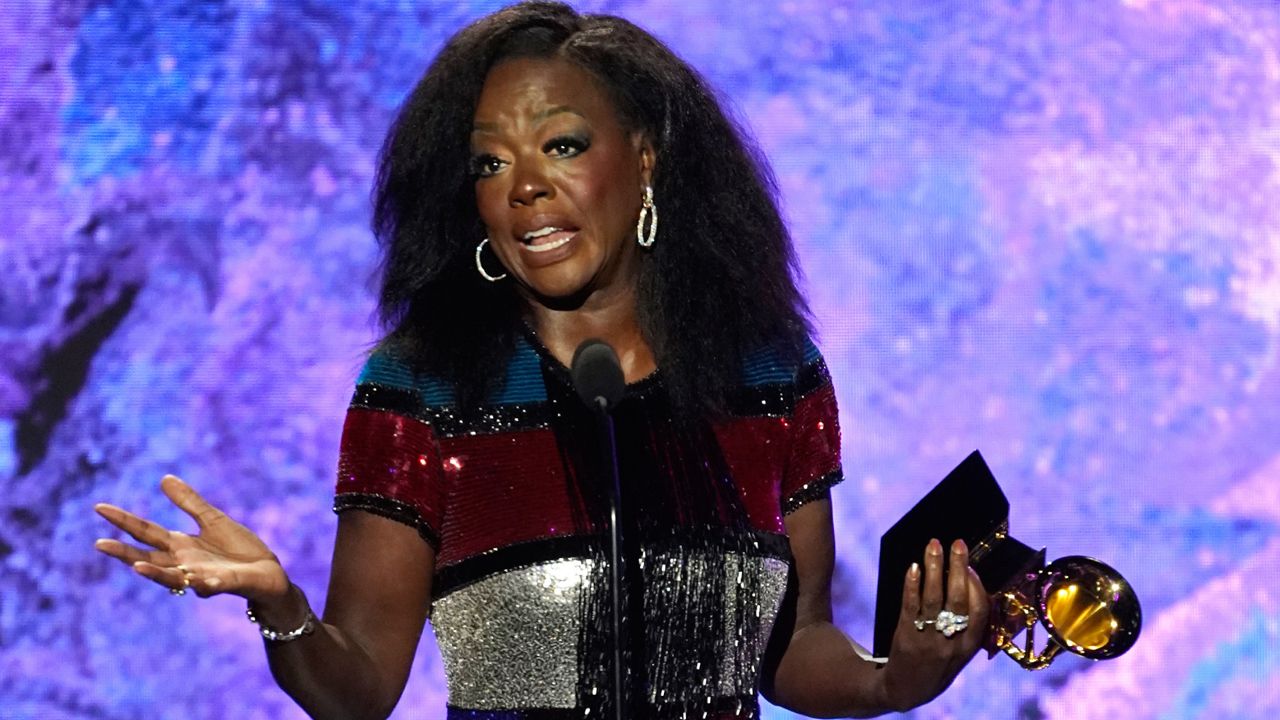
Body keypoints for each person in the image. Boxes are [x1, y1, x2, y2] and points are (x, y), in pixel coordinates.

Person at [93, 3, 989, 718]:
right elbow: (357, 689)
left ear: (645, 160)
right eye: (490, 162)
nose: (523, 186)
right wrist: (281, 610)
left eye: (561, 145)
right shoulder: (423, 390)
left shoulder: (769, 378)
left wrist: (893, 680)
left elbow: (793, 651)